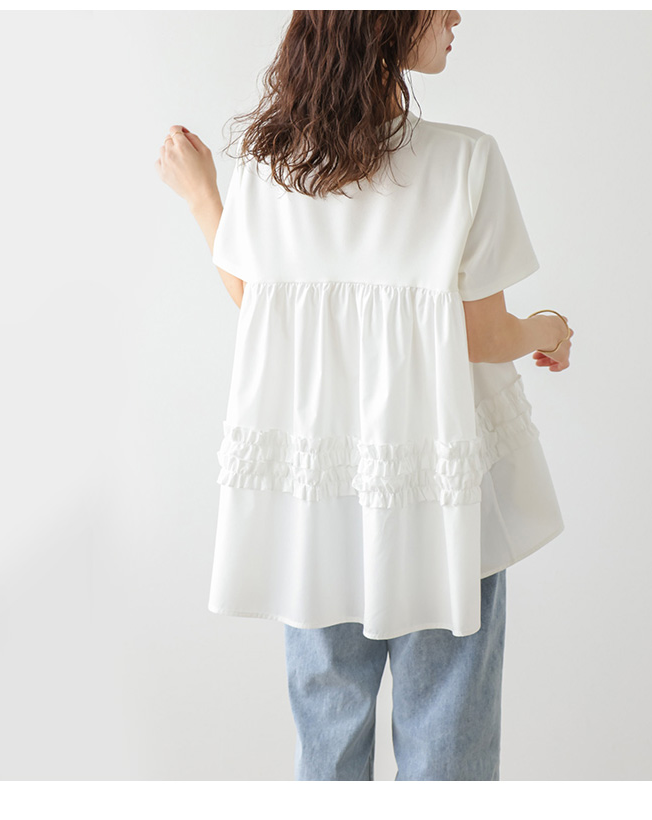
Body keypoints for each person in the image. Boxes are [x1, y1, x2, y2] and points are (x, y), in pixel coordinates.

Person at [155, 10, 574, 781]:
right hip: (437, 488)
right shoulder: (465, 161)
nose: (455, 15)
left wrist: (203, 197)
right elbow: (483, 334)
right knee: (450, 733)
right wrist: (549, 328)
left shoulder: (274, 166)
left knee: (329, 732)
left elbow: (256, 298)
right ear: (386, 22)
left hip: (319, 496)